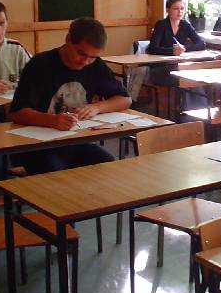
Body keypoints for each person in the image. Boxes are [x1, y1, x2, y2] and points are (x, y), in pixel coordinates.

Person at [9, 17, 132, 175]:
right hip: (40, 147)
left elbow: (125, 99)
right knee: (58, 175)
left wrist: (97, 107)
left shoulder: (95, 65)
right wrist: (52, 120)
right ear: (68, 39)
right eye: (81, 53)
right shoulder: (40, 65)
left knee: (107, 166)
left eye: (92, 57)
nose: (85, 61)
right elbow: (16, 113)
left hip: (76, 142)